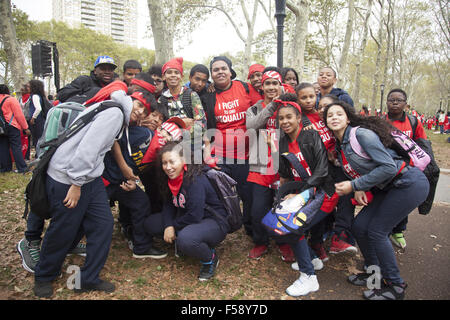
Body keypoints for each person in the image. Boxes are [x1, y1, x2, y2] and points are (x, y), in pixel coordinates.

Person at [33, 85, 150, 298]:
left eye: (146, 110)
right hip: (68, 177)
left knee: (102, 224)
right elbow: (88, 149)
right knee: (64, 228)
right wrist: (76, 184)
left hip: (92, 177)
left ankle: (87, 278)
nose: (141, 111)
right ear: (130, 99)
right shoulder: (114, 113)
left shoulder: (117, 112)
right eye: (140, 104)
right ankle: (43, 275)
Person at [324, 101, 429, 300]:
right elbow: (365, 169)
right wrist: (359, 186)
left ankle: (396, 286)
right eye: (330, 116)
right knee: (360, 226)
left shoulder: (361, 134)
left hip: (407, 182)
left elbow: (388, 167)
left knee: (376, 231)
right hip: (388, 187)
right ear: (326, 122)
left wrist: (354, 186)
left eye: (339, 114)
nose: (334, 118)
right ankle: (375, 274)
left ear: (348, 117)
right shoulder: (341, 144)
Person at [275, 95, 336, 297]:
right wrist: (274, 149)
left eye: (289, 117)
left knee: (293, 227)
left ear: (299, 118)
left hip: (323, 193)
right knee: (281, 224)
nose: (284, 122)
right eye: (281, 118)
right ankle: (312, 260)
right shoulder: (282, 142)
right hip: (303, 194)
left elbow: (322, 171)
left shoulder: (311, 136)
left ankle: (308, 277)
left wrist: (299, 193)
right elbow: (284, 172)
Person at [142, 142, 229, 281]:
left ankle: (209, 258)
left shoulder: (195, 179)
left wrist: (172, 227)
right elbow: (169, 205)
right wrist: (168, 225)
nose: (168, 167)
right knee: (150, 224)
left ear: (184, 161)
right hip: (186, 216)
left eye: (172, 162)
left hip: (213, 220)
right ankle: (184, 240)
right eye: (164, 163)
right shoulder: (170, 178)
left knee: (186, 239)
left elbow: (195, 215)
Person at [201, 55, 261, 237]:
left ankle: (251, 230)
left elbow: (264, 102)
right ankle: (222, 226)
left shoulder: (244, 87)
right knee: (218, 192)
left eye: (223, 68)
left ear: (230, 71)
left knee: (247, 193)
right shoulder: (208, 94)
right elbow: (204, 122)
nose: (220, 72)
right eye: (215, 70)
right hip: (220, 152)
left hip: (246, 152)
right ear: (211, 74)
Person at [245, 70, 294, 262]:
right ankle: (261, 242)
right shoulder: (255, 108)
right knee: (258, 209)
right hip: (260, 165)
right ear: (261, 87)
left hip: (282, 164)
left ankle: (284, 242)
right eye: (268, 84)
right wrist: (273, 105)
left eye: (275, 83)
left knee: (282, 206)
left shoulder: (288, 106)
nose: (271, 87)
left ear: (281, 85)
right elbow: (252, 126)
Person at [295, 84, 340, 261]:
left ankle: (319, 241)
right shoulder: (300, 119)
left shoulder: (323, 114)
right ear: (297, 99)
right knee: (313, 207)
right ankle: (308, 243)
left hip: (333, 167)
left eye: (311, 97)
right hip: (312, 170)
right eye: (303, 98)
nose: (308, 101)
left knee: (328, 207)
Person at [384, 88, 428, 249]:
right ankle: (385, 230)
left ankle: (399, 231)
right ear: (386, 102)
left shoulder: (413, 121)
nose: (395, 103)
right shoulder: (381, 121)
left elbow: (423, 143)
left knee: (403, 200)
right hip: (388, 169)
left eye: (399, 100)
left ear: (405, 104)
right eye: (391, 100)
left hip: (409, 169)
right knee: (387, 200)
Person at [158, 57, 206, 146]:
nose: (173, 75)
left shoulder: (191, 95)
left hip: (192, 144)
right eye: (169, 72)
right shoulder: (162, 99)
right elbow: (160, 125)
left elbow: (201, 124)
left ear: (181, 76)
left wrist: (175, 131)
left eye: (176, 72)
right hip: (171, 145)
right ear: (163, 77)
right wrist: (182, 122)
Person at [0, 84, 30, 173]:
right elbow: (19, 115)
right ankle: (22, 168)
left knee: (3, 147)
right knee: (16, 147)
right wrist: (25, 128)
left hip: (1, 127)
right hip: (12, 125)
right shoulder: (11, 100)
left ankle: (5, 168)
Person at [28, 80, 48, 156]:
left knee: (37, 139)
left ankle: (39, 155)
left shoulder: (34, 96)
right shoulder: (40, 96)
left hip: (37, 121)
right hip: (40, 120)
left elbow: (38, 108)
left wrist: (33, 118)